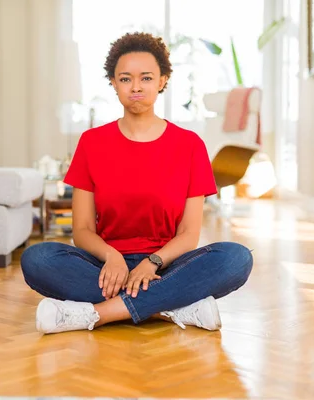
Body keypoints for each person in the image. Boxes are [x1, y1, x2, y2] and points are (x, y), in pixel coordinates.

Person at [21, 32, 253, 334]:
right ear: (114, 83)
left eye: (146, 78)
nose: (136, 87)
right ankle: (174, 306)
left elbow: (189, 234)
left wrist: (152, 263)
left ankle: (96, 314)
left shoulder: (190, 145)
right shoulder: (91, 143)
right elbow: (82, 230)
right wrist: (112, 257)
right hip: (104, 268)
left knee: (236, 259)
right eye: (126, 79)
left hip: (167, 266)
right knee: (37, 259)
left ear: (162, 81)